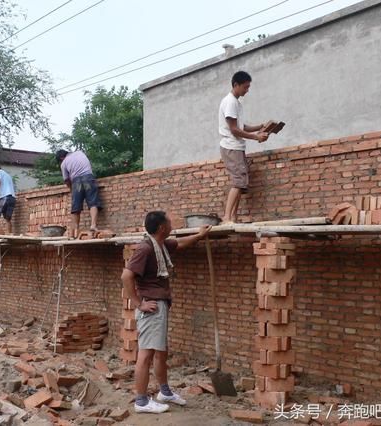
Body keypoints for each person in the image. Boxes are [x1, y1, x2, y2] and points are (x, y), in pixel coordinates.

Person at [121, 211, 210, 414]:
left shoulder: (160, 245)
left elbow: (180, 243)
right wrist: (138, 303)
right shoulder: (145, 248)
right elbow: (126, 276)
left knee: (161, 352)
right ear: (162, 227)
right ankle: (142, 401)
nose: (172, 223)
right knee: (145, 355)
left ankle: (165, 392)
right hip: (151, 307)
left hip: (160, 305)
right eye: (169, 221)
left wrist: (199, 235)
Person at [219, 71, 270, 224]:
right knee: (237, 182)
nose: (247, 90)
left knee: (241, 184)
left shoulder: (236, 102)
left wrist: (260, 127)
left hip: (237, 147)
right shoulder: (230, 102)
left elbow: (241, 127)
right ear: (236, 85)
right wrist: (257, 137)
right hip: (231, 147)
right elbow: (234, 130)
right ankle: (227, 217)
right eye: (245, 87)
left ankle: (233, 217)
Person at [56, 150, 102, 238]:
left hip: (77, 183)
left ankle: (75, 231)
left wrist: (71, 189)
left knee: (76, 207)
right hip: (88, 179)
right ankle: (93, 225)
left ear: (61, 158)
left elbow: (66, 180)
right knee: (93, 202)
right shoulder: (80, 152)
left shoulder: (64, 163)